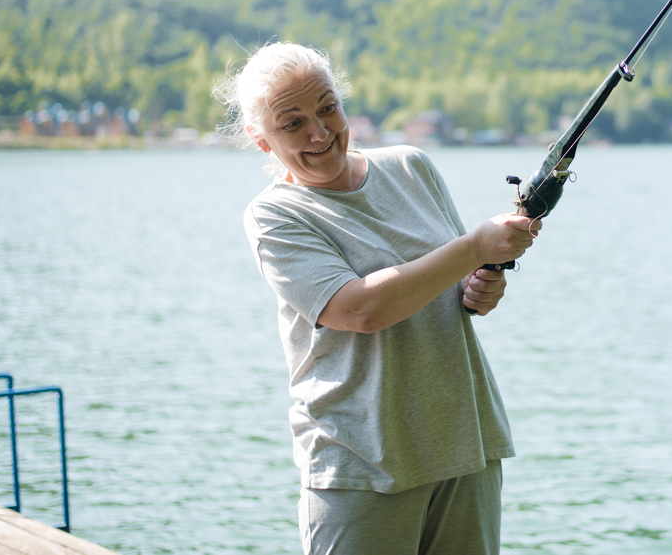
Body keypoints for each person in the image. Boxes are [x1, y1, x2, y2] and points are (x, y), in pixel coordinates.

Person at [215, 42, 540, 555]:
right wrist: (475, 246)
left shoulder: (412, 166)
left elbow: (454, 285)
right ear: (262, 141)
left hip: (463, 444)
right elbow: (359, 309)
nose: (319, 132)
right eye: (293, 123)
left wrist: (480, 286)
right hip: (359, 464)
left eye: (327, 107)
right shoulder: (276, 217)